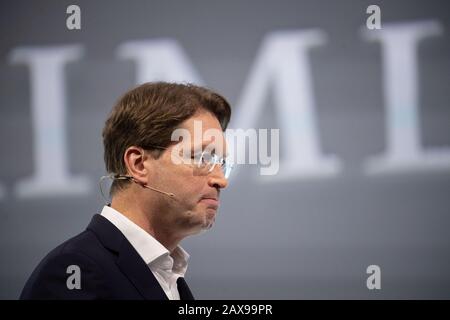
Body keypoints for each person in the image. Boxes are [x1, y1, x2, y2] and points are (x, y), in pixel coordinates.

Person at [20, 82, 232, 300]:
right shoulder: (76, 271)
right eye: (201, 158)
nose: (221, 180)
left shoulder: (167, 276)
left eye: (221, 163)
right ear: (139, 165)